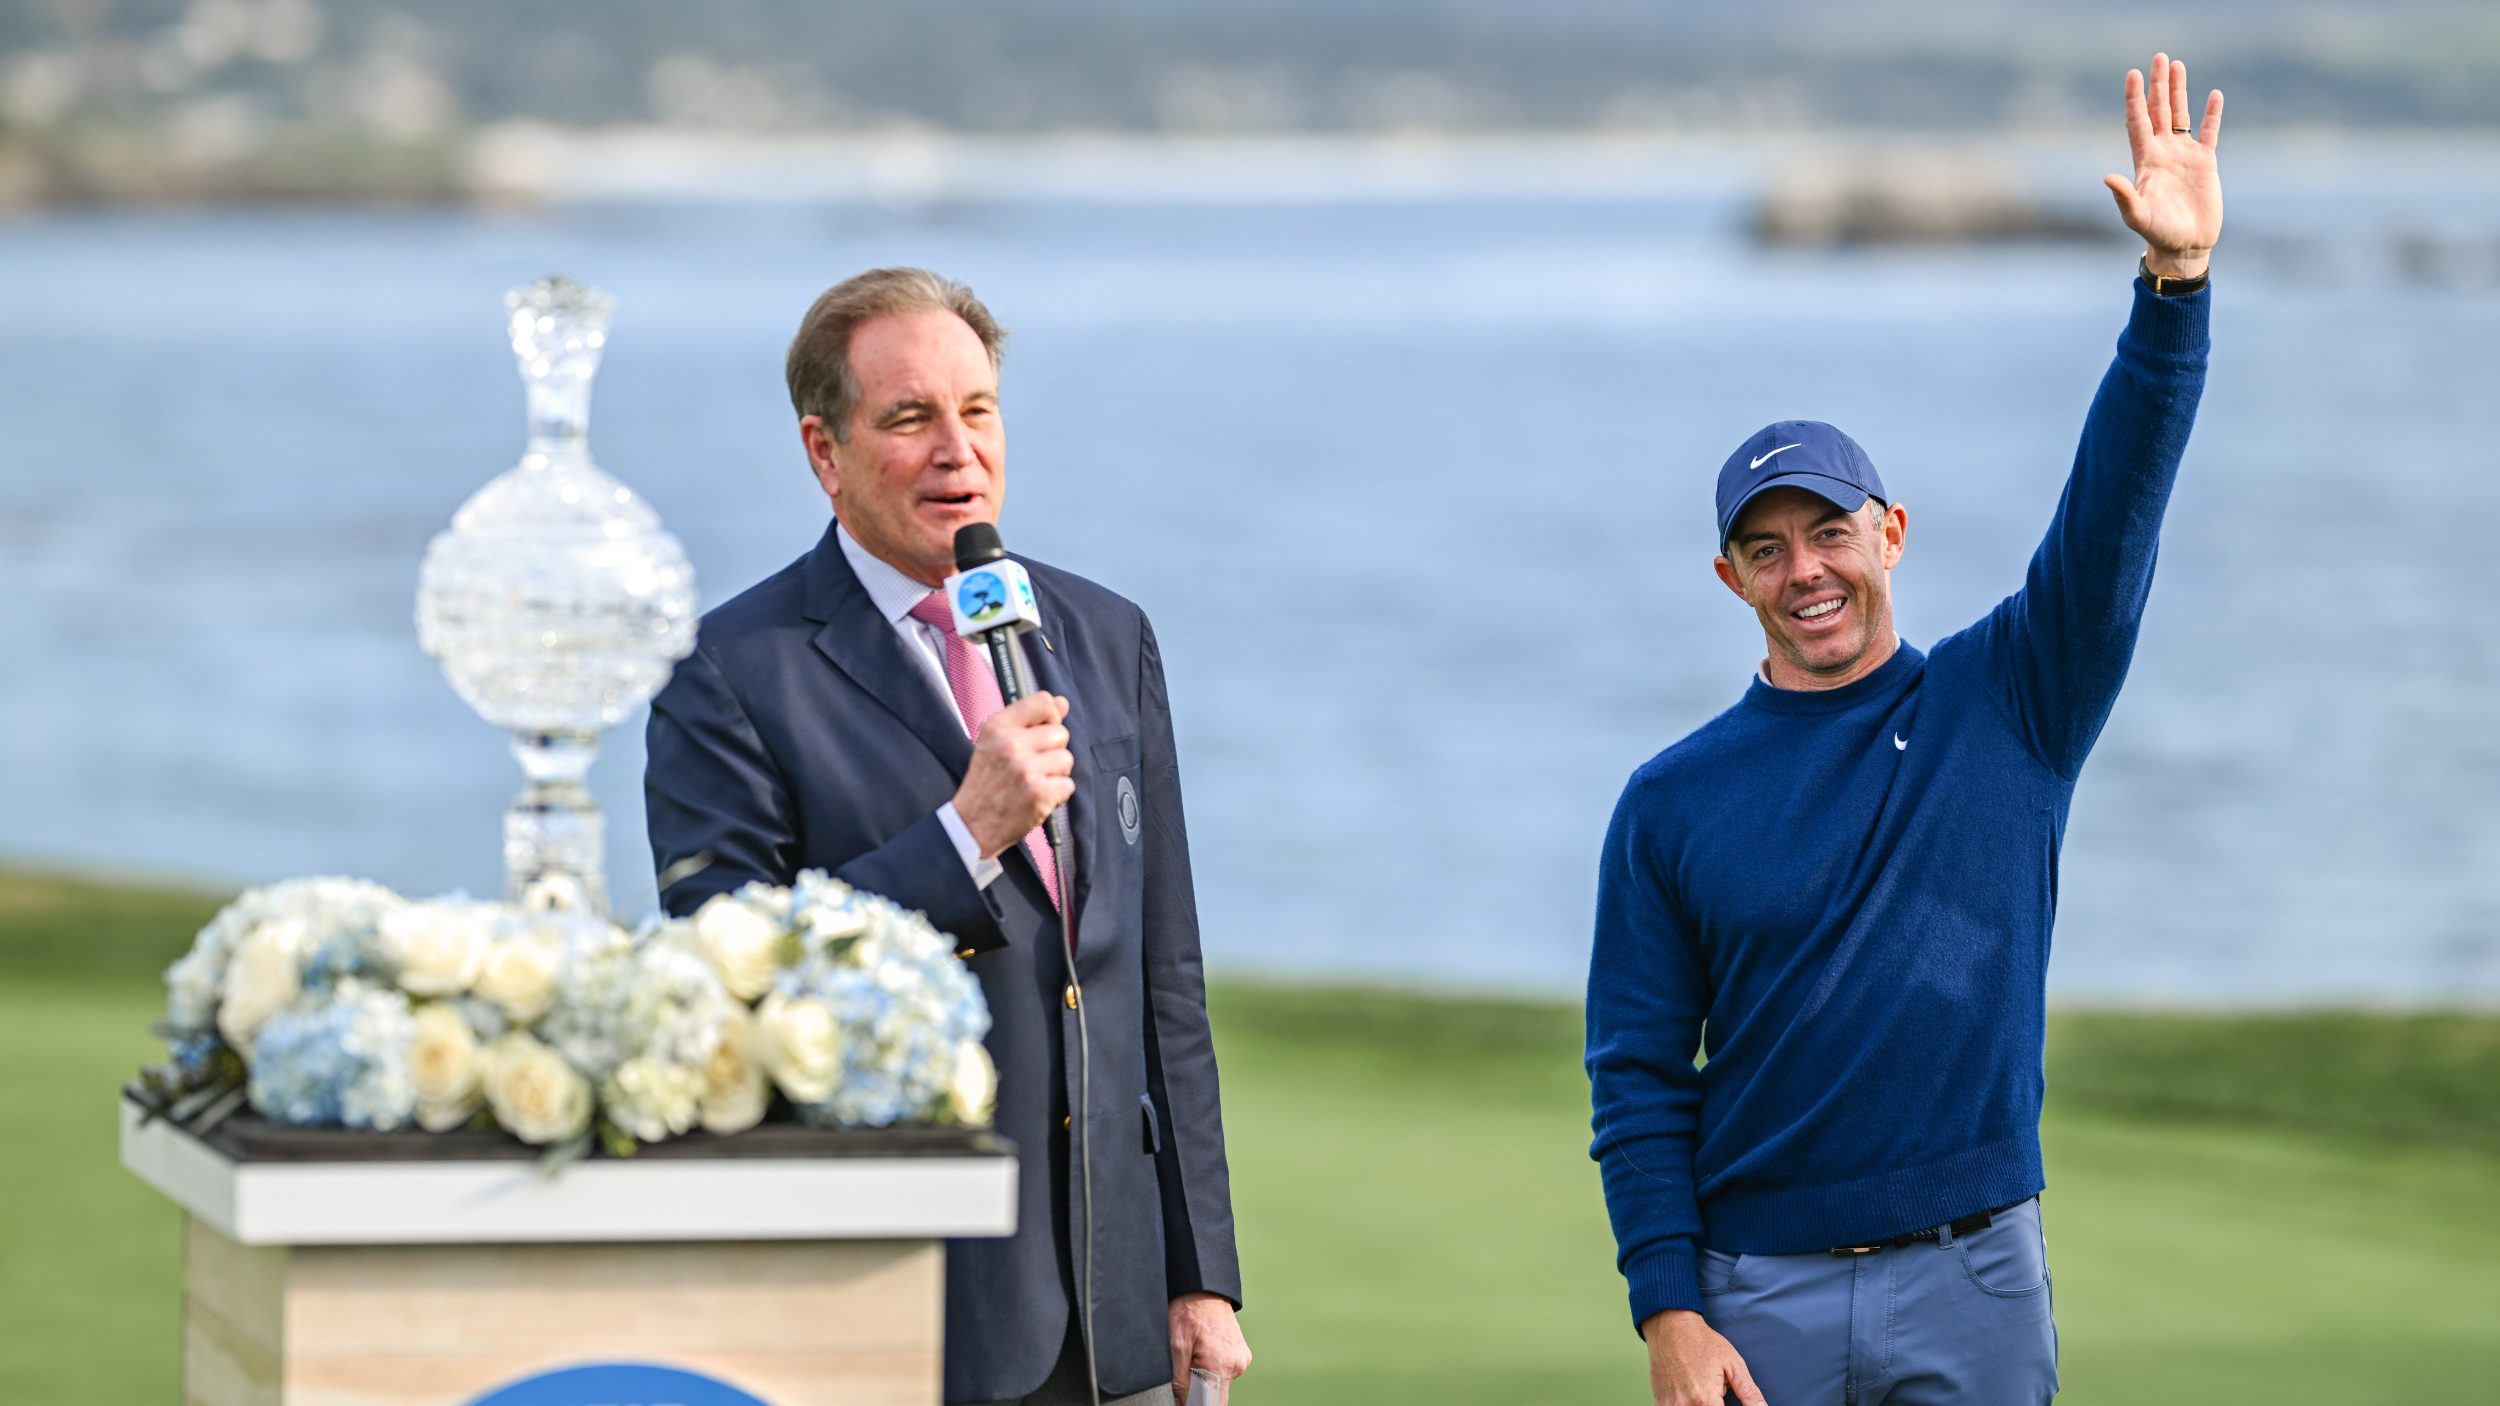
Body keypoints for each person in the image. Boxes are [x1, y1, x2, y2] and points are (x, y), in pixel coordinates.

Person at [1585, 55, 2224, 1406]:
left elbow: (2115, 513)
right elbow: (1639, 1075)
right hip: (1761, 1293)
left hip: (1976, 1281)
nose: (1805, 567)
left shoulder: (2014, 698)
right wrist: (1669, 1310)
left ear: (1893, 533)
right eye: (1766, 549)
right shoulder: (1670, 800)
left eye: (1830, 530)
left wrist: (2174, 295)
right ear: (1731, 580)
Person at [644, 268, 1251, 1406]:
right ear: (825, 451)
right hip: (896, 1297)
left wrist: (1200, 1272)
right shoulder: (729, 672)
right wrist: (963, 833)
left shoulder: (1104, 632)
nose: (957, 450)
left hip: (1116, 1308)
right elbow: (716, 979)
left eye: (977, 411)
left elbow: (1162, 977)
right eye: (910, 417)